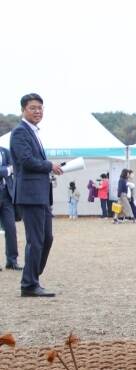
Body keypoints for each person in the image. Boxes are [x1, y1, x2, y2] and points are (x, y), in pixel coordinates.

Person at [10, 93, 63, 297]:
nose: (37, 111)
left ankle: (32, 276)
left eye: (40, 108)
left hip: (40, 194)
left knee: (46, 238)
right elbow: (26, 161)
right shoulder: (20, 132)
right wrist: (49, 165)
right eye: (33, 108)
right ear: (23, 109)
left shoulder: (33, 133)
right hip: (29, 195)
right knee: (36, 240)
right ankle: (29, 284)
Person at [0, 146, 21, 271]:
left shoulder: (5, 151)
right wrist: (7, 170)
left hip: (7, 195)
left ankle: (12, 261)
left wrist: (8, 169)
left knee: (11, 229)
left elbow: (14, 167)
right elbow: (8, 170)